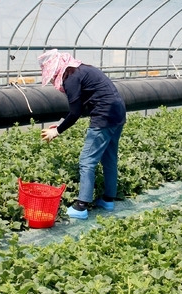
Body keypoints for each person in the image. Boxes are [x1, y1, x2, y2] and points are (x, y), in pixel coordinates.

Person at [38, 49, 127, 220]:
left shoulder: (71, 78)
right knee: (109, 158)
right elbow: (82, 105)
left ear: (56, 69)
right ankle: (108, 200)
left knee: (87, 161)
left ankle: (81, 206)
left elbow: (76, 111)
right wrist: (61, 122)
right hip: (118, 113)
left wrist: (57, 131)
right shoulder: (82, 70)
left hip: (104, 117)